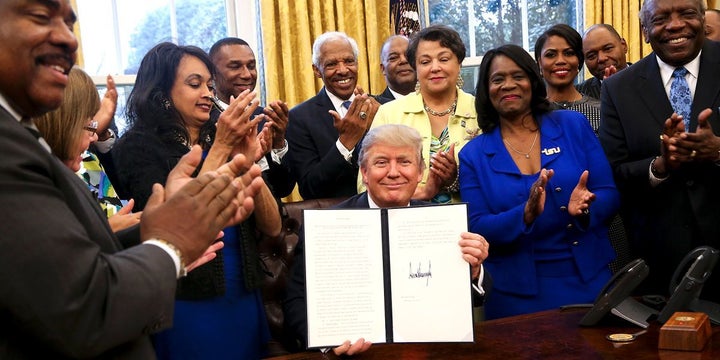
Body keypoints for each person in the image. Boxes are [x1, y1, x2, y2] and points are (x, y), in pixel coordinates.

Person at [0, 1, 263, 358]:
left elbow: (74, 257)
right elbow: (84, 306)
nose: (68, 39)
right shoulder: (136, 147)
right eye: (41, 17)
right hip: (183, 304)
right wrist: (170, 245)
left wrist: (144, 232)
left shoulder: (23, 137)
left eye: (69, 22)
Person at [111, 42, 281, 359]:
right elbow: (173, 221)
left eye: (209, 84)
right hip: (184, 299)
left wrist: (249, 164)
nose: (207, 93)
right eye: (194, 84)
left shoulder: (218, 138)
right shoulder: (138, 147)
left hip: (242, 292)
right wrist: (221, 148)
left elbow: (273, 227)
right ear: (162, 94)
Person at [285, 124, 490, 356]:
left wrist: (473, 271)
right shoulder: (327, 227)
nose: (394, 172)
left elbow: (478, 295)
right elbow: (297, 301)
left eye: (404, 162)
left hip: (427, 349)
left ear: (420, 171)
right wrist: (328, 345)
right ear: (364, 172)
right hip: (355, 354)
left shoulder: (443, 224)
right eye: (381, 163)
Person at [460, 44, 619, 319]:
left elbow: (609, 192)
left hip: (588, 279)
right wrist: (524, 214)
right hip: (515, 294)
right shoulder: (473, 154)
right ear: (486, 90)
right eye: (497, 79)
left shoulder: (572, 125)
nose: (508, 85)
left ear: (533, 81)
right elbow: (477, 225)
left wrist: (586, 207)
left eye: (518, 76)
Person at [599, 0, 720, 301]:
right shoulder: (617, 88)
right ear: (644, 31)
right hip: (660, 265)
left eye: (687, 14)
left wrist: (718, 149)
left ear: (703, 20)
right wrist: (660, 166)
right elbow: (614, 171)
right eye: (661, 18)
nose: (675, 24)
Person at [364, 25, 480, 204]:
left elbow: (496, 181)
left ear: (459, 63)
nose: (435, 68)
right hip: (406, 223)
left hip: (471, 220)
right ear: (415, 68)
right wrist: (422, 192)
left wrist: (455, 180)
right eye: (425, 62)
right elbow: (365, 185)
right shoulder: (389, 113)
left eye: (444, 59)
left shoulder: (480, 110)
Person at [34, 67, 138, 232]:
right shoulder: (34, 186)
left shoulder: (88, 161)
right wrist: (108, 232)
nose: (94, 137)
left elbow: (123, 219)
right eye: (88, 124)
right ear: (65, 125)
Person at [285, 31, 379, 199]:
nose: (343, 70)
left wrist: (380, 124)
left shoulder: (382, 107)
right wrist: (345, 143)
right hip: (337, 217)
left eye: (349, 61)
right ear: (317, 70)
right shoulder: (299, 118)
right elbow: (309, 188)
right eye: (331, 64)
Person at [209, 37, 295, 198]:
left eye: (251, 66)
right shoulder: (205, 120)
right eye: (235, 67)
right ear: (213, 74)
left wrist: (278, 144)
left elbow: (284, 189)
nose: (247, 74)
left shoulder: (266, 117)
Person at [535, 24, 601, 134]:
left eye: (569, 53)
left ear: (579, 60)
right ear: (539, 63)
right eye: (551, 55)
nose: (560, 60)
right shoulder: (530, 113)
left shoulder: (601, 111)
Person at [576, 24, 630, 100]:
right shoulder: (578, 95)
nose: (601, 58)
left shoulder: (649, 78)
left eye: (608, 49)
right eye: (591, 55)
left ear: (624, 45)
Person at [375, 35, 416, 104]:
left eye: (408, 55)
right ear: (383, 69)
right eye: (393, 58)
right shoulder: (377, 108)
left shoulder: (435, 102)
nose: (403, 60)